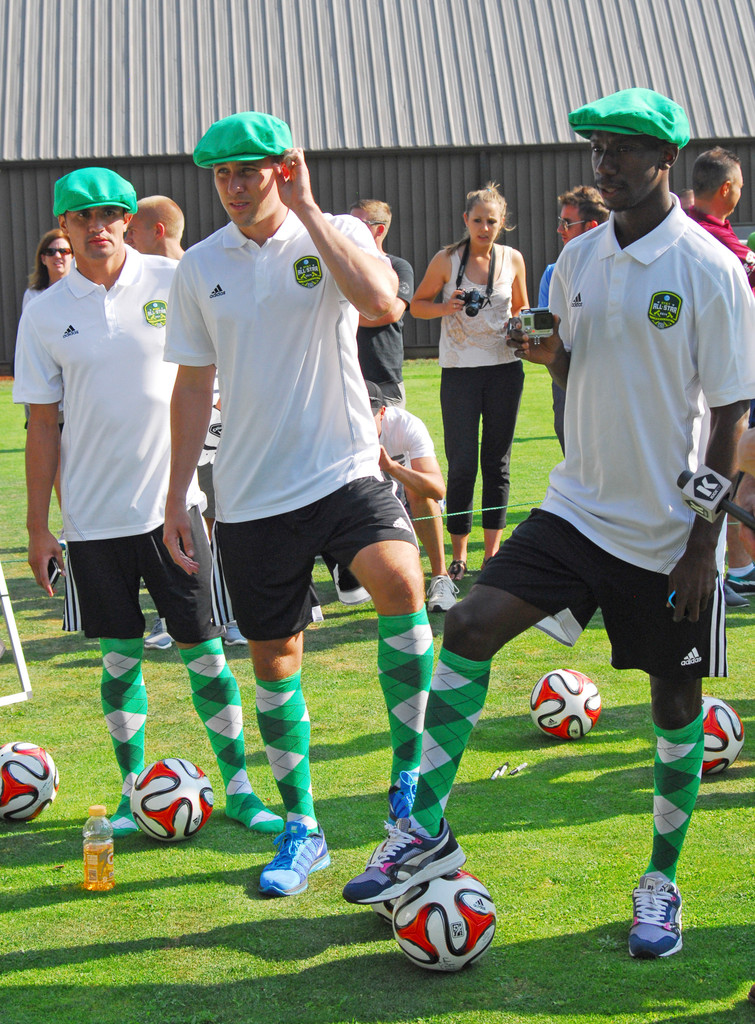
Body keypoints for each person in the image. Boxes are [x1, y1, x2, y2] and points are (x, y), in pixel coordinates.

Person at [343, 89, 755, 962]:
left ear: (663, 163)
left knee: (675, 707)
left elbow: (728, 416)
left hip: (669, 531)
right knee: (469, 623)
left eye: (621, 151)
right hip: (575, 506)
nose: (602, 163)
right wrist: (546, 348)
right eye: (597, 148)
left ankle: (661, 881)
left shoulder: (710, 269)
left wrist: (700, 543)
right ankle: (420, 829)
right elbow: (567, 353)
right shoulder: (577, 257)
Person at [162, 112, 435, 898]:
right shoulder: (200, 265)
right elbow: (190, 384)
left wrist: (313, 212)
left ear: (284, 169)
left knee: (400, 584)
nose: (235, 187)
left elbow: (384, 305)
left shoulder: (337, 229)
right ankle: (302, 825)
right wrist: (182, 490)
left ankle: (406, 784)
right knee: (275, 662)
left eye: (249, 171)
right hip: (249, 494)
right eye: (222, 175)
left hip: (344, 469)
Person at [13, 167, 282, 839]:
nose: (97, 226)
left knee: (208, 654)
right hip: (91, 522)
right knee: (118, 659)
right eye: (82, 218)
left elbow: (223, 365)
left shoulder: (173, 280)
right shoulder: (43, 312)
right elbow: (42, 426)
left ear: (130, 220)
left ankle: (241, 788)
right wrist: (39, 528)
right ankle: (134, 789)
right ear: (64, 231)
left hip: (176, 512)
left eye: (109, 214)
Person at [125, 195, 245, 649]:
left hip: (215, 423)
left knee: (218, 519)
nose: (126, 239)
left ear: (156, 230)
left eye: (132, 230)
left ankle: (227, 615)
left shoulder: (200, 273)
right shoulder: (140, 285)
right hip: (171, 427)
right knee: (180, 519)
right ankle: (183, 613)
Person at [410, 183, 528, 581]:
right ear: (466, 220)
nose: (484, 227)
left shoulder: (512, 259)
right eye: (477, 220)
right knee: (462, 465)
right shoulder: (446, 259)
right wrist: (446, 306)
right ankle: (459, 553)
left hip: (504, 370)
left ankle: (492, 554)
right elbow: (417, 306)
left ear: (502, 224)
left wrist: (521, 327)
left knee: (498, 463)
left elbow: (523, 306)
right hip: (459, 373)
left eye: (492, 221)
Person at [686, 148, 755, 606]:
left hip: (728, 376)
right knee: (727, 474)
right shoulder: (704, 241)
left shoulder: (715, 236)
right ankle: (715, 566)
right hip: (716, 382)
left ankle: (740, 571)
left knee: (739, 476)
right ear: (727, 188)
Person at [366, 381, 457, 612]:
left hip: (411, 502)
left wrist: (392, 467)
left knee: (418, 489)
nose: (364, 425)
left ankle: (440, 577)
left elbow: (437, 489)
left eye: (370, 417)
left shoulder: (406, 424)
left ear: (383, 412)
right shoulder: (339, 430)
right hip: (372, 505)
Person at [537, 186, 608, 452]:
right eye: (560, 221)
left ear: (591, 226)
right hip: (567, 375)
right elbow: (548, 330)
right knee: (572, 449)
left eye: (567, 223)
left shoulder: (618, 267)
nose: (560, 229)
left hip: (610, 380)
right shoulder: (554, 273)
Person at [19, 228, 74, 508]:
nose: (58, 256)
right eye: (51, 251)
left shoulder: (81, 292)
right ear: (42, 258)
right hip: (50, 397)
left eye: (64, 250)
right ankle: (68, 519)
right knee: (55, 460)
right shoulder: (34, 296)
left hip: (78, 395)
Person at [349, 200, 414, 408]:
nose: (348, 230)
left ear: (380, 229)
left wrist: (345, 317)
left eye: (358, 225)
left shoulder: (398, 267)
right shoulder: (340, 268)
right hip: (345, 376)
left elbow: (391, 312)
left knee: (387, 439)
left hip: (384, 379)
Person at [125, 195, 186, 260]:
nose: (126, 240)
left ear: (158, 231)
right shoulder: (194, 266)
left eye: (132, 231)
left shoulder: (194, 267)